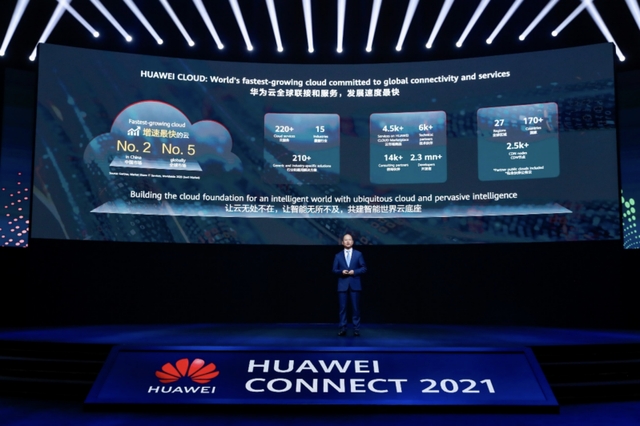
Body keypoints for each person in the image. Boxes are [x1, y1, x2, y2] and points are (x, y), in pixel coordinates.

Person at [332, 233, 366, 336]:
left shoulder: (358, 254)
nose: (348, 241)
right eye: (345, 240)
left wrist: (354, 272)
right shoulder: (338, 255)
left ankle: (356, 329)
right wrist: (341, 272)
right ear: (342, 242)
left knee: (355, 308)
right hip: (342, 285)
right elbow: (334, 270)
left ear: (353, 242)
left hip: (355, 284)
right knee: (342, 309)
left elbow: (364, 268)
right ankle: (343, 328)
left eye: (349, 239)